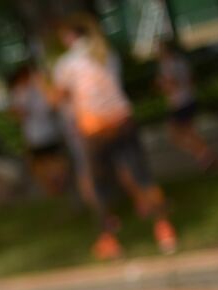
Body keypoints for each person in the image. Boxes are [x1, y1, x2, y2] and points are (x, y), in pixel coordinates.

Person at [53, 14, 178, 258]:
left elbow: (59, 98)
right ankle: (165, 230)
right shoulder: (106, 54)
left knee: (98, 185)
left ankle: (108, 240)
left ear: (69, 36)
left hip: (95, 128)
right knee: (143, 177)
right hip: (122, 120)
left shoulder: (68, 63)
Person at [8, 65, 71, 196]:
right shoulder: (40, 88)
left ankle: (55, 186)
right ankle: (58, 183)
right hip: (48, 131)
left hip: (37, 134)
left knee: (41, 164)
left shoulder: (22, 92)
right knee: (53, 160)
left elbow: (19, 113)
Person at [155, 42, 218, 171]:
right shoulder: (180, 62)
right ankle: (205, 157)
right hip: (188, 99)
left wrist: (161, 84)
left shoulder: (167, 65)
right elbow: (190, 79)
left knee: (176, 134)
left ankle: (206, 155)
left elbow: (172, 85)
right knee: (187, 132)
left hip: (179, 102)